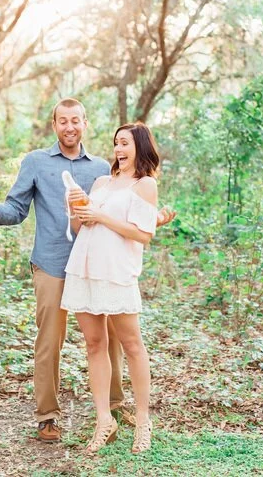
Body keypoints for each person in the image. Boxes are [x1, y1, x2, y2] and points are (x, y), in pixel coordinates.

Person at [0, 98, 175, 443]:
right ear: (54, 124)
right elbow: (15, 209)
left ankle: (115, 408)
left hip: (100, 265)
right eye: (63, 121)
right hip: (53, 262)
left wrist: (153, 220)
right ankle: (47, 416)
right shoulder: (36, 162)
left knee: (110, 341)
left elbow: (125, 216)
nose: (70, 127)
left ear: (85, 123)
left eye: (76, 120)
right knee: (50, 340)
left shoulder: (103, 170)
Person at [61, 122, 159, 454]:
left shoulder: (144, 185)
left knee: (132, 344)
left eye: (126, 143)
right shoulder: (102, 181)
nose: (119, 149)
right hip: (85, 267)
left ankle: (143, 421)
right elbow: (80, 226)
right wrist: (78, 208)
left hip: (116, 272)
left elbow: (143, 234)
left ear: (140, 147)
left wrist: (100, 215)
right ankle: (105, 420)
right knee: (94, 343)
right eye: (117, 143)